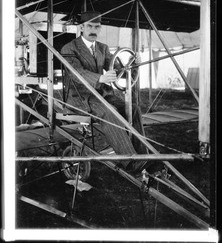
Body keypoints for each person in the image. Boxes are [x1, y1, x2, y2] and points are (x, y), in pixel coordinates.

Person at [61, 11, 159, 174]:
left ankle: (143, 156)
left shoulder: (102, 48)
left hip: (103, 96)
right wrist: (101, 78)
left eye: (97, 27)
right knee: (109, 112)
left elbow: (119, 69)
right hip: (81, 98)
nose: (93, 30)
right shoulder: (69, 48)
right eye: (90, 26)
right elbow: (76, 73)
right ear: (82, 27)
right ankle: (130, 162)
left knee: (133, 109)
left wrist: (133, 64)